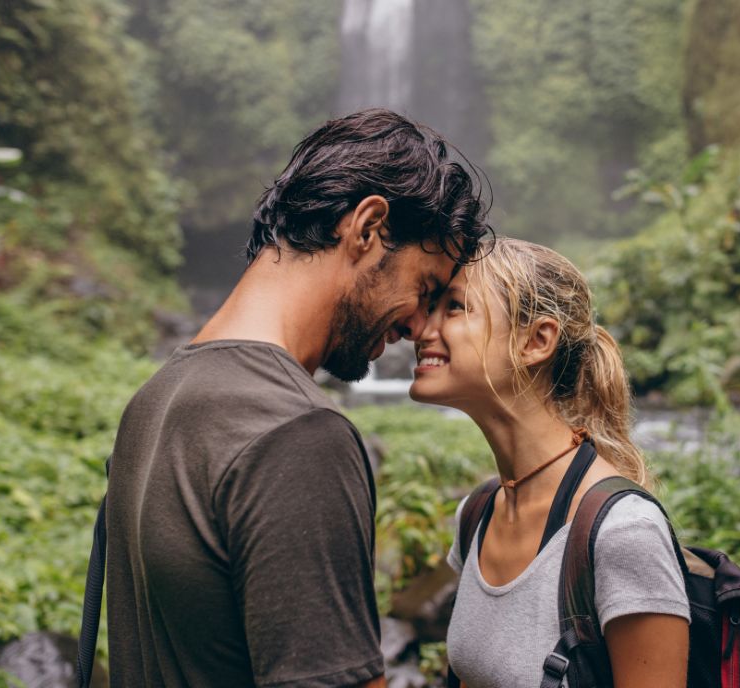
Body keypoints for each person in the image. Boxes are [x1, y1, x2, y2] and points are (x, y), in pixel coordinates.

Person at [105, 109, 491, 688]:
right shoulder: (297, 436)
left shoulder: (155, 399)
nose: (418, 326)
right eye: (425, 287)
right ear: (366, 228)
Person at [409, 238, 690, 687]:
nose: (418, 328)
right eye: (431, 307)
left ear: (536, 340)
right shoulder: (477, 514)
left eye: (456, 307)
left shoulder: (623, 532)